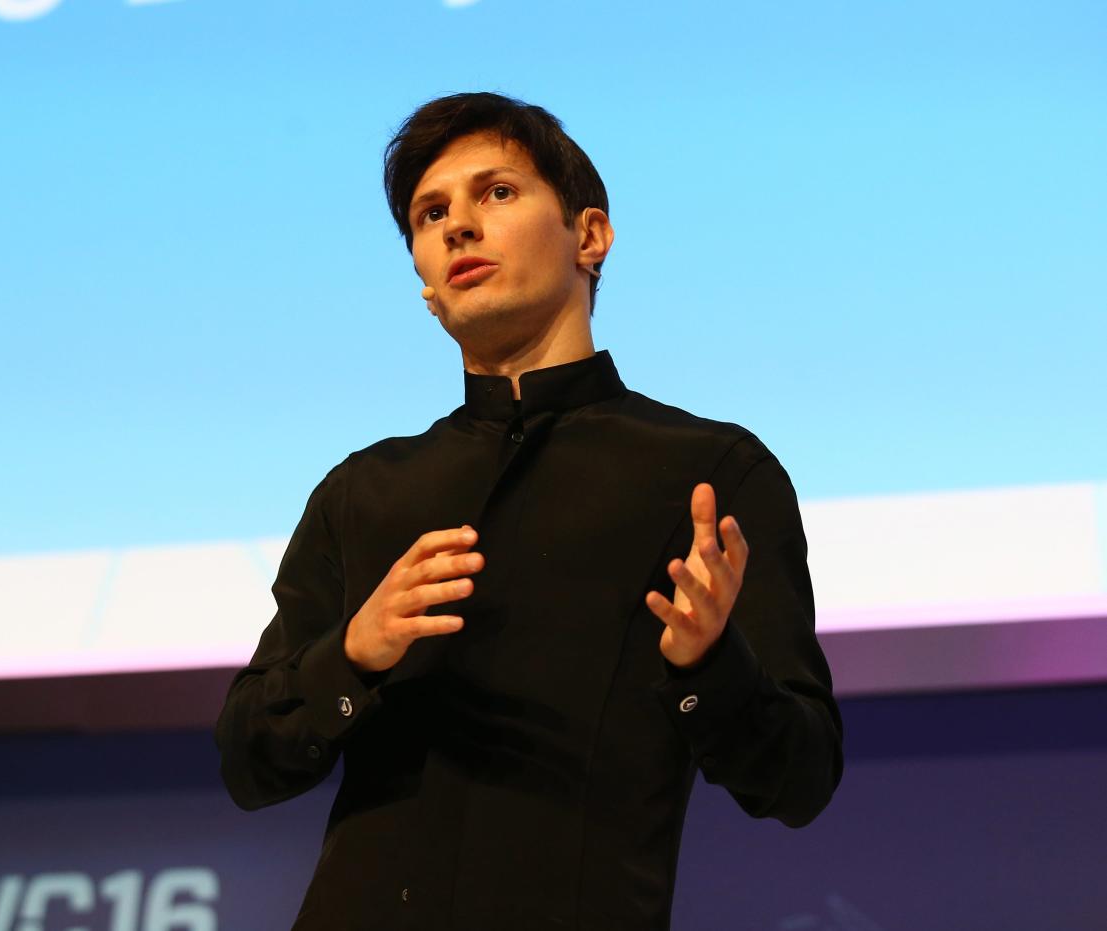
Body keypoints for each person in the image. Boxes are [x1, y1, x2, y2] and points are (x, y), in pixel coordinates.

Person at [216, 92, 843, 931]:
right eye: (430, 213)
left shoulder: (708, 475)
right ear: (424, 284)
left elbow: (799, 779)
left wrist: (709, 666)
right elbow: (249, 764)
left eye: (496, 193)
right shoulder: (363, 490)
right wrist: (355, 654)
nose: (457, 227)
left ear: (589, 236)